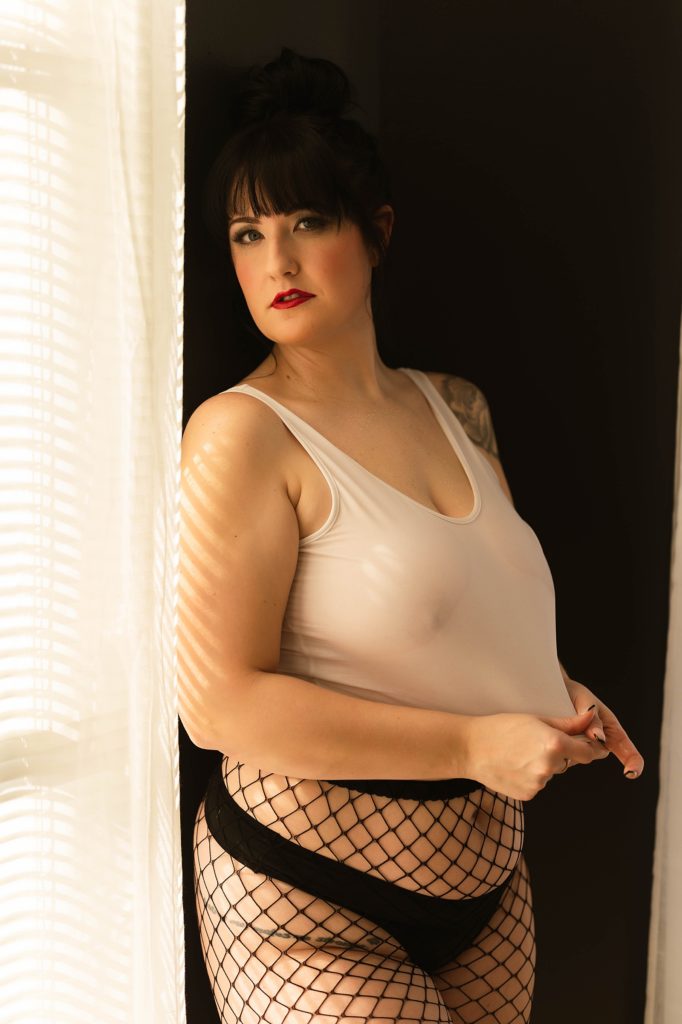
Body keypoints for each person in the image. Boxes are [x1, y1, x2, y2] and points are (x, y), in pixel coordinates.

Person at [179, 46, 644, 1024]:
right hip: (302, 898)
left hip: (485, 885)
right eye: (248, 232)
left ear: (376, 231)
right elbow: (217, 706)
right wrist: (477, 740)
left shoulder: (455, 406)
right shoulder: (243, 433)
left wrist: (551, 692)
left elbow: (469, 616)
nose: (279, 261)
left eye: (309, 220)